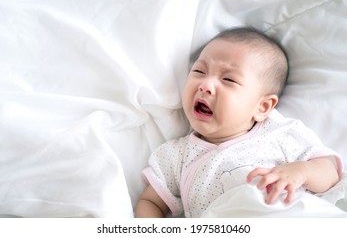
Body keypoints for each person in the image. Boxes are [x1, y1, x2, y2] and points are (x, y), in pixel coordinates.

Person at [135, 27, 343, 218]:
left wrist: (301, 172)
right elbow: (151, 201)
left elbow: (331, 173)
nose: (206, 85)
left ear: (262, 107)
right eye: (199, 72)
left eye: (229, 80)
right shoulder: (176, 156)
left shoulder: (280, 134)